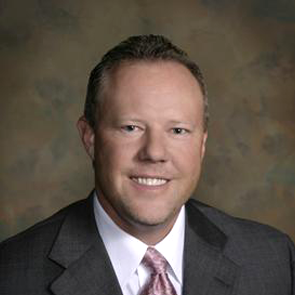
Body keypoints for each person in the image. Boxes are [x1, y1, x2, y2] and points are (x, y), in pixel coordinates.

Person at [0, 34, 294, 295]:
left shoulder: (273, 260)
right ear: (89, 138)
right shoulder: (11, 275)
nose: (154, 153)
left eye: (177, 130)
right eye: (131, 128)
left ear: (202, 144)